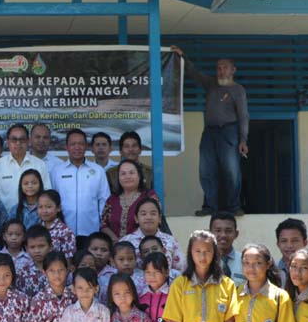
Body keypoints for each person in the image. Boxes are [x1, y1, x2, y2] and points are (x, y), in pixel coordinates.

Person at [170, 46, 249, 217]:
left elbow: (243, 116)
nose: (221, 71)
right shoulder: (211, 84)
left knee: (231, 170)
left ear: (233, 70)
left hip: (229, 132)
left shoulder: (238, 90)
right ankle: (210, 207)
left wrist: (243, 139)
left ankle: (234, 207)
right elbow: (194, 74)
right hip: (209, 132)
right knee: (207, 170)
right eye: (218, 68)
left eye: (225, 67)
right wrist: (182, 56)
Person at [50, 128, 111, 241]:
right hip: (64, 231)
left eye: (80, 144)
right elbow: (52, 200)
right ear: (66, 147)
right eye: (73, 144)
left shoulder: (98, 170)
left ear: (86, 146)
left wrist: (103, 226)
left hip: (91, 230)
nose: (77, 147)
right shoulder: (57, 171)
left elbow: (104, 200)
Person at [0, 124, 52, 214]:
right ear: (7, 142)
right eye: (14, 139)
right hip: (6, 219)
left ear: (28, 141)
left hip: (34, 218)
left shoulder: (39, 164)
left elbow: (46, 193)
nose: (18, 143)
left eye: (22, 139)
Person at [119, 197, 184, 272]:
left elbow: (181, 269)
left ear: (159, 218)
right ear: (136, 218)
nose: (148, 217)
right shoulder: (126, 242)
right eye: (143, 214)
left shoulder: (171, 241)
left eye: (153, 213)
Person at [100, 160, 156, 241]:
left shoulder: (149, 196)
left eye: (131, 173)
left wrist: (129, 240)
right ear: (118, 178)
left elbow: (154, 221)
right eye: (123, 174)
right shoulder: (112, 199)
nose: (127, 176)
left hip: (142, 245)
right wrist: (117, 241)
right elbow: (104, 225)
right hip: (116, 246)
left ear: (139, 176)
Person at [36, 189, 76, 261]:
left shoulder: (65, 232)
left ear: (58, 208)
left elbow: (69, 261)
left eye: (48, 207)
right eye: (40, 207)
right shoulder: (36, 228)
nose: (44, 211)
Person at [209, 212, 245, 286]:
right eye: (218, 231)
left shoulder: (245, 261)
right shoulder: (202, 262)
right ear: (210, 234)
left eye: (228, 231)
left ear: (236, 234)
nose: (223, 235)